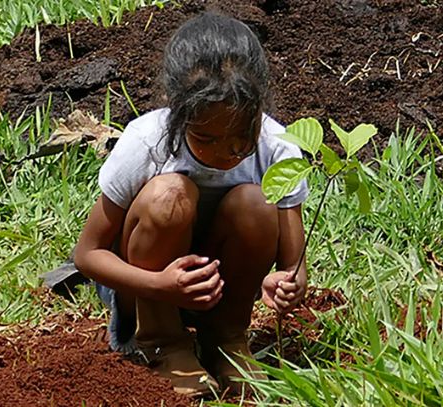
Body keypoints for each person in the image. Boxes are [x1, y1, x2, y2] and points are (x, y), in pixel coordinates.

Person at [74, 12, 308, 398]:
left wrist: (285, 284)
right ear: (178, 111)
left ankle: (226, 339)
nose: (227, 152)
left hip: (222, 288)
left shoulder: (278, 147)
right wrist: (160, 285)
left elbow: (294, 267)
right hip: (148, 283)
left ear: (259, 109)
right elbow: (87, 254)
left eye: (240, 136)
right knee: (170, 195)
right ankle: (163, 342)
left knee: (256, 201)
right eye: (207, 138)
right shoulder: (149, 142)